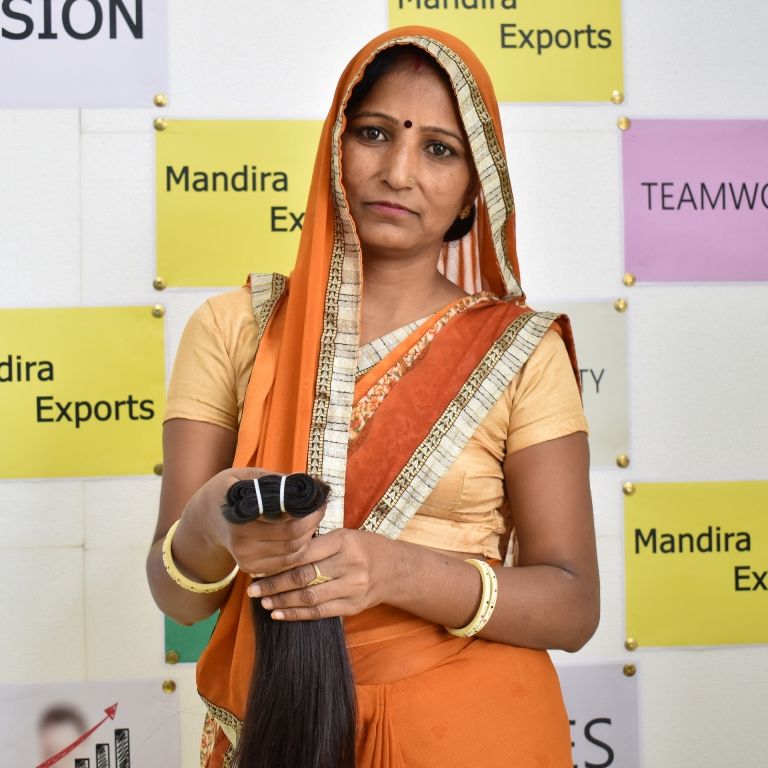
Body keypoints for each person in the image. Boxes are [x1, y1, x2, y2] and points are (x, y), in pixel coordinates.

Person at [147, 25, 599, 768]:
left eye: (439, 149)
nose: (398, 171)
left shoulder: (521, 352)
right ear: (336, 147)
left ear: (472, 192)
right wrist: (210, 518)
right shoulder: (235, 328)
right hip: (281, 728)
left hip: (475, 733)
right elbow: (181, 600)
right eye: (375, 133)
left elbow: (573, 607)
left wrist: (396, 571)